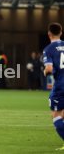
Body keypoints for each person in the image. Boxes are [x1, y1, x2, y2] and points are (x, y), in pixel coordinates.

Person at [43, 22, 64, 150]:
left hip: (61, 86)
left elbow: (49, 69)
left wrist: (44, 71)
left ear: (49, 34)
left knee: (55, 116)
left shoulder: (49, 49)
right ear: (61, 33)